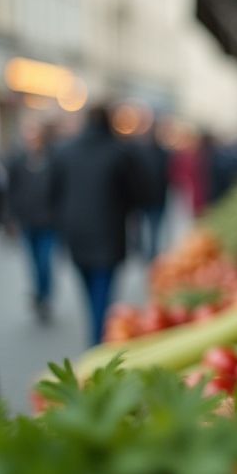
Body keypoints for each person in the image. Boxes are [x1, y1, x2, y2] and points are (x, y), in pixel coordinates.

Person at [50, 104, 143, 345]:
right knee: (103, 294)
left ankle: (96, 337)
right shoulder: (120, 152)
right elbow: (135, 195)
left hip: (77, 235)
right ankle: (98, 341)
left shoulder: (64, 151)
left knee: (89, 291)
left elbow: (52, 193)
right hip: (109, 234)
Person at [5, 120, 59, 323]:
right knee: (33, 262)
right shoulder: (17, 160)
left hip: (48, 221)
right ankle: (38, 293)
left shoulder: (53, 159)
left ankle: (44, 295)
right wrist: (9, 219)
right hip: (27, 220)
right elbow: (10, 192)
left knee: (45, 261)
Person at [131, 117, 170, 261]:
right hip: (146, 197)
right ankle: (144, 252)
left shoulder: (161, 152)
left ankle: (150, 254)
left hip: (155, 197)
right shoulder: (138, 151)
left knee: (153, 228)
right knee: (145, 228)